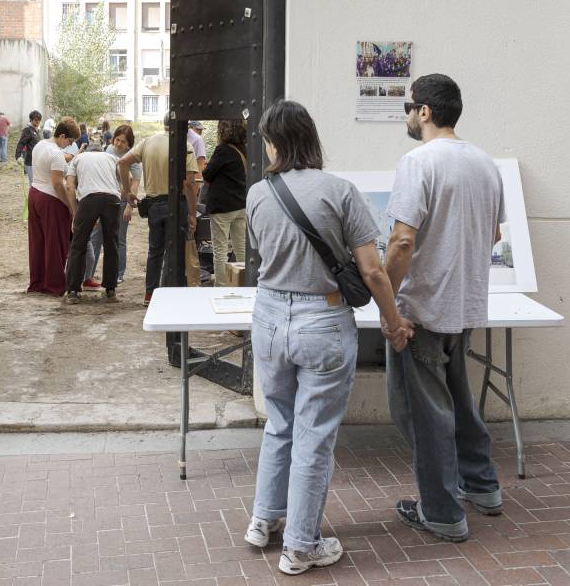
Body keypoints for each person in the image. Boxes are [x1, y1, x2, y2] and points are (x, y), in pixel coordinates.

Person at [242, 99, 411, 576]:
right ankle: (300, 546)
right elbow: (373, 271)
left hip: (269, 316)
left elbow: (262, 253)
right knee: (314, 435)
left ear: (274, 143)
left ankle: (264, 519)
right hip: (323, 319)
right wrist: (393, 322)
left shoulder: (257, 194)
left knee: (279, 422)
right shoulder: (341, 192)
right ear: (310, 137)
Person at [384, 74, 506, 544]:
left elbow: (402, 241)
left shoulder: (418, 162)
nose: (406, 117)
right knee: (458, 399)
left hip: (423, 308)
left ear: (425, 112)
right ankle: (483, 487)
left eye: (408, 108)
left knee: (425, 414)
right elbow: (495, 235)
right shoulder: (485, 163)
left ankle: (441, 512)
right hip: (465, 304)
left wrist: (388, 303)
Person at [119, 126, 197, 306]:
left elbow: (122, 162)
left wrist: (127, 191)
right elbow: (189, 182)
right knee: (176, 250)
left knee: (155, 251)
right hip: (177, 204)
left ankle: (150, 294)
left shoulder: (147, 142)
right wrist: (192, 213)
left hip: (154, 205)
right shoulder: (185, 145)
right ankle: (173, 292)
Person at [62, 140, 124, 304]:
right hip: (112, 199)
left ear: (88, 151)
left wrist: (75, 213)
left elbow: (69, 187)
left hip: (88, 198)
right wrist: (120, 193)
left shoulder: (78, 158)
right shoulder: (112, 158)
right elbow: (126, 178)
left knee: (78, 244)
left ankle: (73, 291)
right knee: (111, 244)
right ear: (101, 151)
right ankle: (110, 290)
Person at [27, 117, 80, 296]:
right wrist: (70, 205)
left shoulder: (40, 145)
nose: (70, 145)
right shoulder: (56, 154)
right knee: (55, 243)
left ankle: (38, 281)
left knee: (38, 242)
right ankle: (54, 284)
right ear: (62, 136)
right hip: (50, 199)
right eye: (70, 141)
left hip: (34, 194)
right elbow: (57, 184)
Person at [82, 124, 140, 288]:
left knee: (119, 238)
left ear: (129, 144)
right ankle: (88, 274)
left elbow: (135, 183)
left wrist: (129, 206)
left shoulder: (133, 157)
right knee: (96, 236)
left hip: (121, 200)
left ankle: (118, 273)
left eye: (123, 141)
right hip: (104, 199)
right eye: (117, 139)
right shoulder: (107, 150)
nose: (119, 144)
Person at [204, 119, 249, 286]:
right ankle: (245, 283)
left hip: (222, 207)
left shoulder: (222, 150)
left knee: (220, 250)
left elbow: (207, 175)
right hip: (241, 205)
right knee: (241, 249)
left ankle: (221, 286)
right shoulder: (244, 150)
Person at [14, 110, 42, 185]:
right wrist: (18, 156)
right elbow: (21, 143)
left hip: (37, 161)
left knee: (36, 183)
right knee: (33, 183)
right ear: (31, 120)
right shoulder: (28, 130)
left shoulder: (36, 130)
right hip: (30, 161)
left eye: (39, 120)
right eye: (36, 120)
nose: (38, 122)